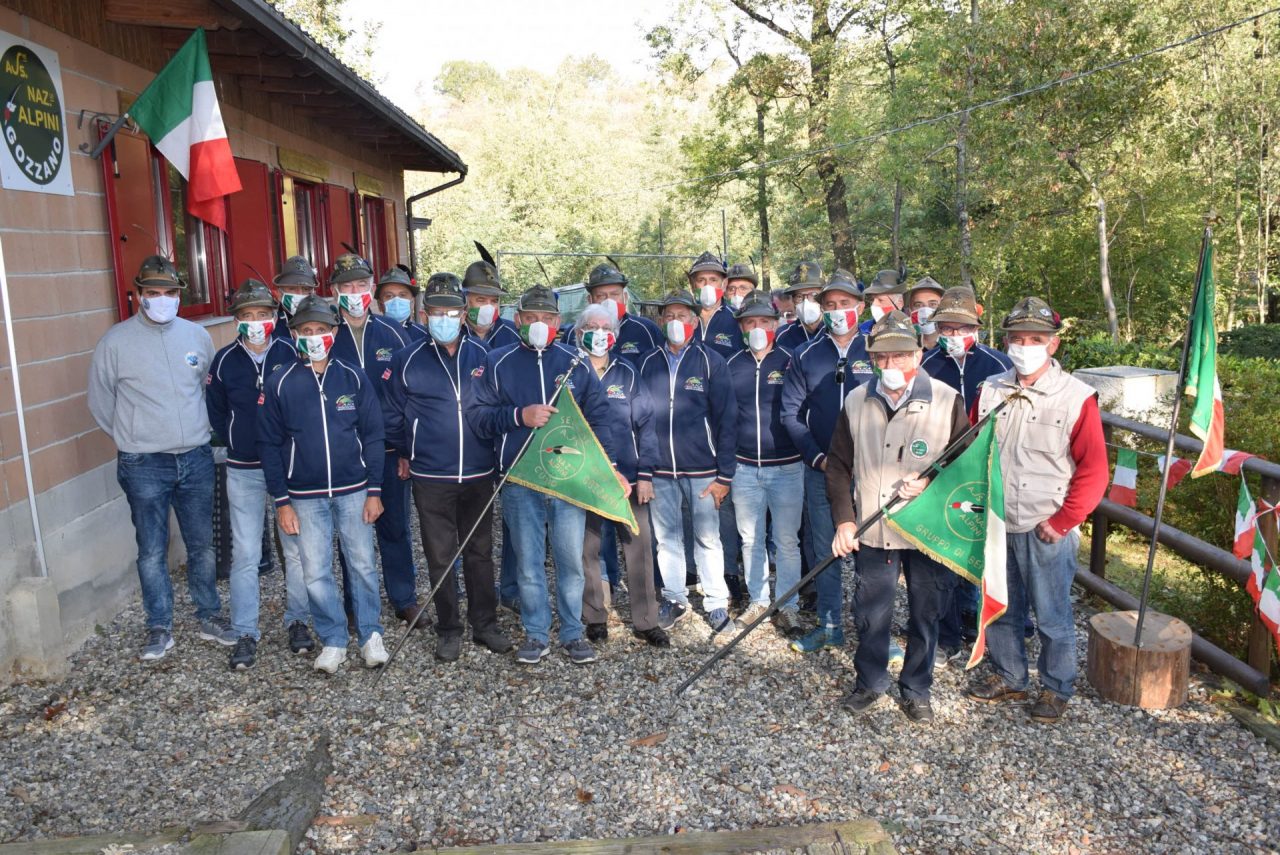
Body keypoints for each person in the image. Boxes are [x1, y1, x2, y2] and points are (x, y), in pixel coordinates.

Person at [966, 296, 1107, 724]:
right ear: (1006, 341)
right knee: (1002, 606)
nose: (1025, 345)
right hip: (996, 519)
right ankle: (1010, 675)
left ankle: (1056, 686)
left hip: (1045, 525)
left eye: (1035, 339)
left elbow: (1095, 469)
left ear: (1053, 345)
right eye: (1017, 338)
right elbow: (971, 449)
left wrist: (1064, 520)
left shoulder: (1076, 397)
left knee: (1052, 614)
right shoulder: (990, 389)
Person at [468, 284, 626, 666]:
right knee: (528, 561)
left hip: (567, 479)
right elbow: (477, 416)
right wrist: (518, 416)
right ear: (518, 319)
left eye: (547, 318)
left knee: (571, 560)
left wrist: (609, 467)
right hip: (520, 480)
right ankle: (536, 634)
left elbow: (600, 418)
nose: (539, 324)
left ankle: (572, 633)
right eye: (531, 318)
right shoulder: (497, 361)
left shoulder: (576, 361)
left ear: (558, 322)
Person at [825, 310, 970, 723]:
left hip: (925, 526)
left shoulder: (946, 399)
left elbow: (964, 466)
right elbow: (837, 464)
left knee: (926, 611)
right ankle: (870, 682)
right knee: (872, 612)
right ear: (872, 358)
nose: (892, 365)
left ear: (917, 355)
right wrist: (844, 519)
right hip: (874, 526)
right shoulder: (856, 400)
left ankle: (916, 687)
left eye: (901, 355)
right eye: (883, 357)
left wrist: (931, 485)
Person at [88, 255, 234, 661]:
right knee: (151, 549)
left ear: (179, 296)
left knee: (201, 544)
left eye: (170, 293)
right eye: (153, 293)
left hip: (195, 457)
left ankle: (209, 615)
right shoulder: (115, 343)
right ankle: (159, 625)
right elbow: (102, 403)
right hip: (144, 462)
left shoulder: (196, 337)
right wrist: (133, 437)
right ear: (139, 295)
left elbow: (206, 388)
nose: (162, 299)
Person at [384, 274, 513, 661]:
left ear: (463, 313)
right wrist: (406, 450)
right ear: (425, 315)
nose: (444, 317)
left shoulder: (483, 356)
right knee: (440, 555)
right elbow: (392, 414)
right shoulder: (406, 359)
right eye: (436, 311)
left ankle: (485, 624)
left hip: (478, 472)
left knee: (480, 552)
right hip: (431, 475)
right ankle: (449, 627)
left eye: (451, 311)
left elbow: (495, 410)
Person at [257, 295, 388, 673]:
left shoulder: (352, 376)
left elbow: (374, 434)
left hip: (354, 490)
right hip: (304, 496)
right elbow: (268, 444)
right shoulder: (279, 381)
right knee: (315, 570)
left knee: (362, 564)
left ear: (333, 332)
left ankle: (370, 635)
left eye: (320, 330)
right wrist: (281, 501)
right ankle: (333, 639)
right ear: (295, 334)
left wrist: (375, 490)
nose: (313, 336)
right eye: (305, 330)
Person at [206, 280, 314, 670]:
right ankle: (245, 630)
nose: (255, 322)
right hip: (245, 470)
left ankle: (298, 619)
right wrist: (238, 439)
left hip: (288, 469)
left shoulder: (291, 352)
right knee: (246, 553)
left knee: (297, 551)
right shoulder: (223, 361)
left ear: (274, 317)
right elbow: (216, 411)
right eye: (247, 316)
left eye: (263, 315)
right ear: (237, 320)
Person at [781, 271, 875, 653]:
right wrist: (816, 456)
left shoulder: (879, 350)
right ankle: (829, 624)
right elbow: (790, 414)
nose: (838, 311)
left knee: (874, 551)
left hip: (873, 472)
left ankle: (874, 630)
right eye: (831, 305)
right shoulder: (806, 355)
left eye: (845, 304)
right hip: (822, 469)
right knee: (825, 548)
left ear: (861, 306)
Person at [326, 253, 422, 629]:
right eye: (346, 287)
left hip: (387, 452)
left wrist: (403, 450)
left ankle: (403, 598)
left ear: (372, 290)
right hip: (345, 455)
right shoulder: (325, 335)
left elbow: (407, 397)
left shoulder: (393, 333)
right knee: (351, 534)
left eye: (361, 285)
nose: (354, 292)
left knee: (395, 527)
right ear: (334, 292)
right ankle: (355, 604)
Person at [638, 291, 738, 642]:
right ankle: (675, 598)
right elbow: (641, 419)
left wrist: (725, 474)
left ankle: (715, 602)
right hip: (661, 470)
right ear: (662, 321)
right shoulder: (648, 362)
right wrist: (644, 471)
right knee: (667, 539)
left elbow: (727, 420)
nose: (676, 322)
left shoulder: (712, 361)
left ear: (695, 321)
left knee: (708, 538)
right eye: (670, 315)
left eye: (683, 315)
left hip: (703, 470)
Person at [921, 286, 1013, 663]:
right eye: (946, 328)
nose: (953, 335)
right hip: (944, 473)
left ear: (975, 327)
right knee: (944, 555)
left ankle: (982, 628)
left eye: (960, 327)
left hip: (987, 473)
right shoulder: (927, 366)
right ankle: (945, 637)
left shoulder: (998, 365)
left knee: (983, 551)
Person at [575, 303, 670, 648]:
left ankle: (646, 620)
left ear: (615, 334)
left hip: (628, 479)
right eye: (592, 326)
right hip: (585, 479)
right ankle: (595, 616)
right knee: (589, 550)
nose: (599, 333)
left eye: (606, 327)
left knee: (640, 548)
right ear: (579, 331)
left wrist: (645, 474)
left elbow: (647, 425)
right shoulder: (569, 371)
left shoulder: (628, 372)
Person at [725, 290, 804, 638]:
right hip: (744, 468)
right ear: (742, 327)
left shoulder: (791, 360)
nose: (757, 328)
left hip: (788, 467)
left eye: (764, 322)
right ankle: (757, 600)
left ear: (775, 324)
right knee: (750, 540)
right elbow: (723, 419)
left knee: (787, 541)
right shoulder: (730, 364)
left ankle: (788, 605)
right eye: (750, 322)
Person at [574, 262, 661, 367]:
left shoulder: (647, 330)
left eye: (614, 294)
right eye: (601, 296)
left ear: (625, 297)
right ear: (590, 300)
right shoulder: (576, 333)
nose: (609, 300)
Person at [462, 258, 521, 350]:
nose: (488, 306)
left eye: (494, 301)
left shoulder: (516, 334)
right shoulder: (453, 334)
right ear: (465, 300)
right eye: (481, 300)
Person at [775, 261, 827, 353]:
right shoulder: (782, 336)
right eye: (799, 296)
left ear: (823, 298)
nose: (806, 301)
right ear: (793, 301)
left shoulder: (835, 331)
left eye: (813, 295)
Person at [270, 255, 319, 341]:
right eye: (292, 288)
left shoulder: (324, 321)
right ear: (279, 292)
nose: (299, 294)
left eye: (305, 289)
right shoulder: (270, 326)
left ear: (314, 292)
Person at [376, 264, 425, 342]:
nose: (396, 301)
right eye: (389, 296)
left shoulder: (424, 337)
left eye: (402, 295)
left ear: (412, 302)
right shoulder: (370, 336)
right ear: (380, 305)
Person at [859, 268, 907, 334]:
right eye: (872, 300)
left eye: (880, 300)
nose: (874, 305)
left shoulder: (913, 332)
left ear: (900, 303)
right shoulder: (863, 330)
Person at [907, 276, 945, 350]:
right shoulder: (903, 344)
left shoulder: (953, 345)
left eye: (933, 304)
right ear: (910, 309)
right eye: (918, 305)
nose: (925, 309)